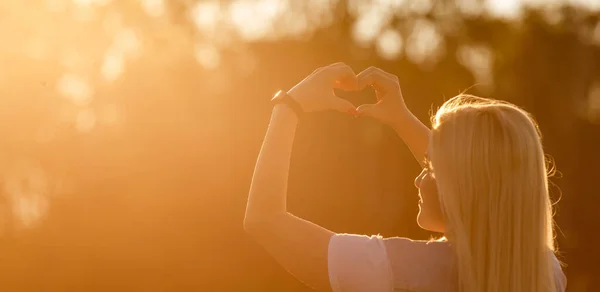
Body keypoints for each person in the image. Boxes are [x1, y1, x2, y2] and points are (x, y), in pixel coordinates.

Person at [243, 62, 567, 292]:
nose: (418, 178)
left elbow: (264, 219)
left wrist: (288, 105)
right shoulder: (544, 271)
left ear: (462, 187)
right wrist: (401, 119)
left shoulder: (394, 269)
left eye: (430, 169)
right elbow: (477, 175)